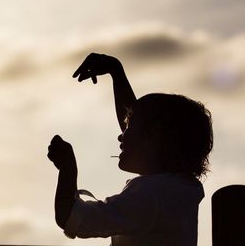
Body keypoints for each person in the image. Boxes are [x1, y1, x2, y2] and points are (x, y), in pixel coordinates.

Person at [47, 52, 213, 246]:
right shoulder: (178, 190)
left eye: (130, 125)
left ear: (155, 138)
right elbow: (142, 127)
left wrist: (67, 167)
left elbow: (70, 217)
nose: (121, 134)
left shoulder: (151, 196)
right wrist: (116, 71)